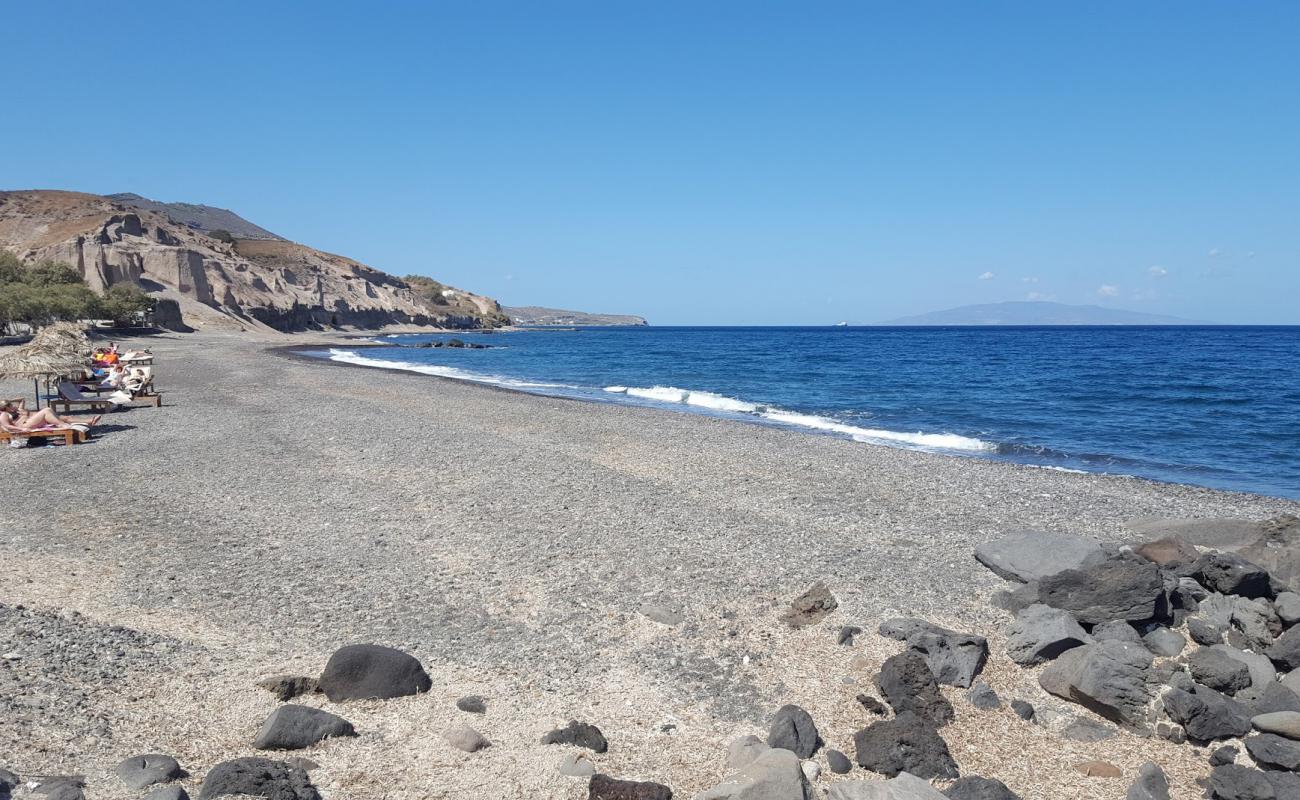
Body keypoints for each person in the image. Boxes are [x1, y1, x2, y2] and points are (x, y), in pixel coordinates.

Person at [0, 401, 100, 434]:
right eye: (9, 405)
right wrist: (21, 429)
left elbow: (22, 399)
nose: (12, 405)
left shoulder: (17, 410)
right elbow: (7, 426)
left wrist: (11, 403)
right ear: (5, 407)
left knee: (63, 417)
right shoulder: (4, 414)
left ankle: (89, 421)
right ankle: (62, 425)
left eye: (11, 404)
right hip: (25, 425)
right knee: (46, 410)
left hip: (33, 421)